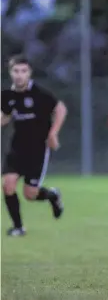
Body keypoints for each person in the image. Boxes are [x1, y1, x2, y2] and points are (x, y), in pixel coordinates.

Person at [1, 54, 67, 236]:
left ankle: (52, 196)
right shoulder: (6, 95)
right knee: (8, 185)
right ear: (10, 73)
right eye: (16, 71)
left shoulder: (40, 94)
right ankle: (18, 227)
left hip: (37, 149)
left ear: (29, 73)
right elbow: (5, 117)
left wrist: (53, 133)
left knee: (30, 194)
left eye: (23, 71)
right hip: (16, 148)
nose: (19, 75)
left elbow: (60, 109)